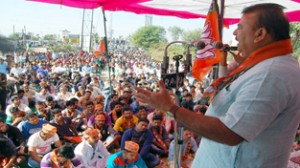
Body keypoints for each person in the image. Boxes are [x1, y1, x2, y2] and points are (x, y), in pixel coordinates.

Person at [134, 3, 300, 168]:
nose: (235, 33)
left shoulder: (270, 74)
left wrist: (171, 108)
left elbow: (231, 133)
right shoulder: (262, 66)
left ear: (260, 34)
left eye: (240, 27)